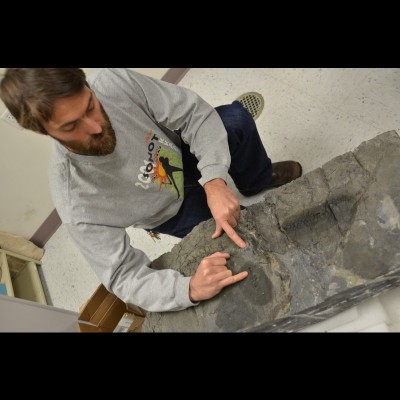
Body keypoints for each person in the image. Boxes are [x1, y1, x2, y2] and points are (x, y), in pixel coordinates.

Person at [0, 68, 302, 312]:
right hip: (166, 212)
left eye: (91, 106)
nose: (95, 127)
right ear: (42, 131)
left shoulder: (111, 82)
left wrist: (213, 179)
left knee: (235, 120)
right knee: (247, 236)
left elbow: (195, 113)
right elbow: (122, 275)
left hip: (178, 153)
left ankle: (256, 178)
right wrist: (188, 289)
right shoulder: (75, 199)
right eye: (70, 127)